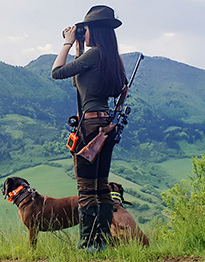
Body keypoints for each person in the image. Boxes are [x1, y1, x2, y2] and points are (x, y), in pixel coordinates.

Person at [51, 5, 126, 252]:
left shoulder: (94, 56)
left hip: (90, 127)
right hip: (106, 127)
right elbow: (79, 82)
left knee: (86, 189)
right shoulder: (111, 58)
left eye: (86, 29)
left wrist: (67, 44)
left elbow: (58, 72)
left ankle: (88, 245)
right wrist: (80, 48)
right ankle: (102, 242)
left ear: (93, 30)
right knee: (102, 187)